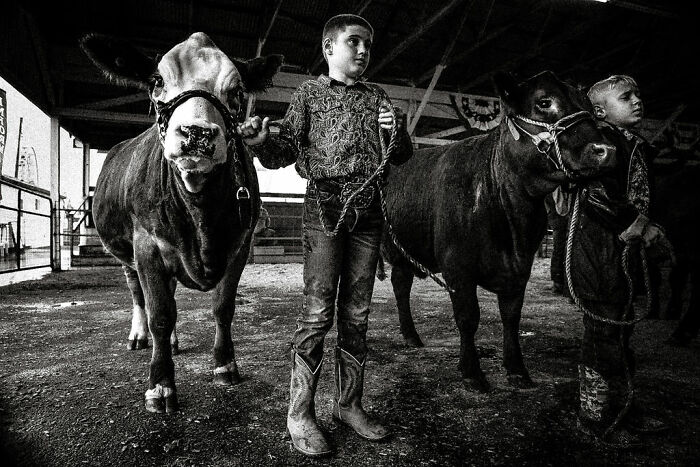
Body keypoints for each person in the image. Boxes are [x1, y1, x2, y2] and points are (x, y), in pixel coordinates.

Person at [238, 14, 413, 456]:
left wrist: (398, 132)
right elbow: (282, 154)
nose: (362, 51)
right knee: (318, 313)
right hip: (324, 207)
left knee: (356, 314)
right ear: (328, 47)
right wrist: (260, 141)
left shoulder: (378, 97)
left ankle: (348, 406)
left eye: (368, 45)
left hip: (368, 211)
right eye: (353, 42)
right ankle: (299, 413)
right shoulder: (309, 94)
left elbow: (402, 156)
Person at [570, 75, 671, 448]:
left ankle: (625, 404)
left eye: (637, 94)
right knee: (600, 336)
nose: (636, 101)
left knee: (622, 334)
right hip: (599, 258)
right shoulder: (599, 144)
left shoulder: (636, 146)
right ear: (600, 111)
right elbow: (596, 194)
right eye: (626, 96)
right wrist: (637, 224)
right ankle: (593, 414)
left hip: (624, 259)